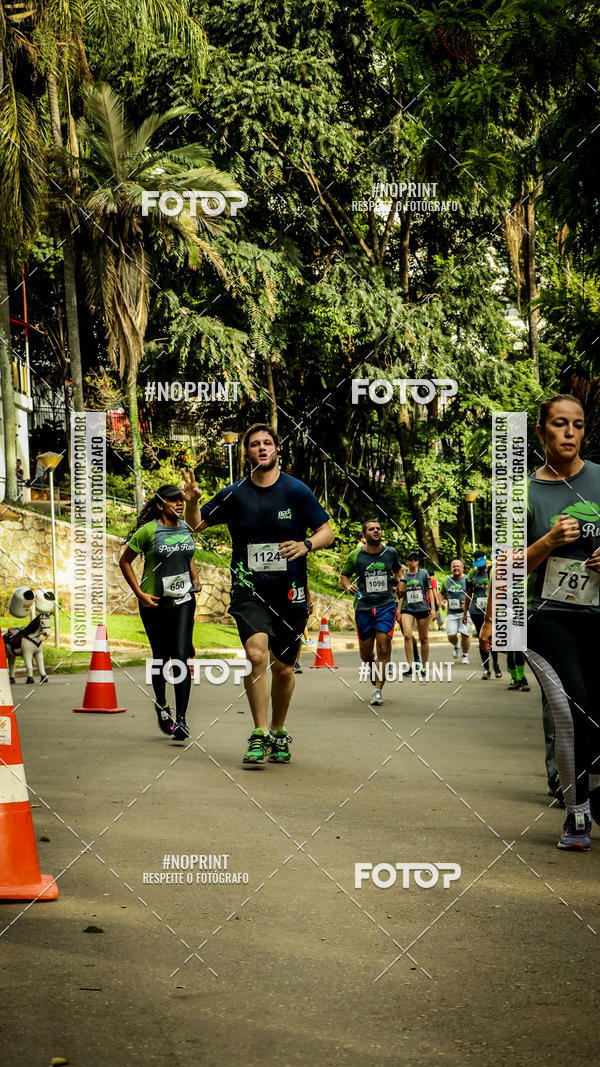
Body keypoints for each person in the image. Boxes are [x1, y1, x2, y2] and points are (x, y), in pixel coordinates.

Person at [481, 394, 600, 850]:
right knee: (571, 711)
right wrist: (548, 541)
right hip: (545, 617)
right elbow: (507, 566)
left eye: (577, 425)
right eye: (558, 425)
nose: (569, 432)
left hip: (596, 613)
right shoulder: (521, 493)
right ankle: (577, 813)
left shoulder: (599, 480)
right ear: (540, 433)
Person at [182, 424, 334, 765]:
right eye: (255, 444)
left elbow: (328, 531)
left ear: (277, 449)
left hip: (290, 592)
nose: (262, 448)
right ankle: (259, 732)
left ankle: (279, 731)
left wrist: (306, 544)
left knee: (283, 668)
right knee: (255, 655)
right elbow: (194, 526)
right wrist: (192, 503)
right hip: (249, 589)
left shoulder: (296, 491)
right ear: (247, 452)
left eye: (267, 443)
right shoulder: (234, 493)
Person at [119, 484, 201, 741]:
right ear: (159, 504)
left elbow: (187, 555)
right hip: (154, 602)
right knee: (161, 657)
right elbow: (125, 561)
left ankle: (182, 720)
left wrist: (195, 578)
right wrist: (139, 595)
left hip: (184, 599)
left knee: (179, 657)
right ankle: (162, 703)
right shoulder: (148, 531)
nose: (179, 504)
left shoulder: (186, 528)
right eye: (173, 500)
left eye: (181, 500)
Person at [340, 520, 402, 705]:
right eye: (371, 529)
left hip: (386, 605)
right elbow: (344, 575)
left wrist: (402, 581)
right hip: (364, 608)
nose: (376, 530)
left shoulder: (390, 552)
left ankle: (377, 690)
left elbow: (399, 570)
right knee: (366, 656)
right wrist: (348, 585)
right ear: (364, 534)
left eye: (378, 528)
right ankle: (374, 672)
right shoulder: (355, 555)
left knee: (384, 646)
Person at [463, 550, 501, 679]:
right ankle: (486, 669)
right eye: (476, 563)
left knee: (492, 638)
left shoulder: (492, 570)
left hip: (491, 611)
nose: (478, 566)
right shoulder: (471, 574)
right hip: (476, 611)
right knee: (482, 638)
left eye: (480, 562)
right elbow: (468, 593)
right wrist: (465, 612)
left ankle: (495, 664)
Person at [397, 551, 435, 677]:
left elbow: (430, 591)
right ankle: (411, 665)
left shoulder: (423, 574)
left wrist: (433, 609)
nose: (413, 561)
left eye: (416, 559)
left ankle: (424, 666)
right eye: (410, 559)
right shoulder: (404, 576)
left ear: (418, 561)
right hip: (408, 609)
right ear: (407, 562)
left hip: (423, 608)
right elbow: (401, 594)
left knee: (423, 638)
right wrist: (398, 610)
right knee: (407, 635)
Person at [440, 559, 470, 663]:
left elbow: (472, 593)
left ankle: (465, 655)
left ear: (462, 568)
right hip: (451, 613)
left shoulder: (467, 579)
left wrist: (467, 604)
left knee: (465, 634)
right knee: (451, 635)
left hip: (464, 612)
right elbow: (441, 593)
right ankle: (456, 646)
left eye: (458, 566)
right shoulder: (447, 580)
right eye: (454, 566)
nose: (456, 568)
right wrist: (441, 602)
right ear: (451, 568)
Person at [293, 590, 314, 673]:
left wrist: (309, 603)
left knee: (298, 634)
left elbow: (305, 583)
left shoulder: (300, 577)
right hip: (283, 603)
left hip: (298, 603)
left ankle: (296, 662)